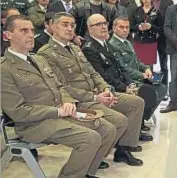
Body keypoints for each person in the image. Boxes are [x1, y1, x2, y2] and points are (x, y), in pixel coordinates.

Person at [1, 15, 116, 178]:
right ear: (8, 35)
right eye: (23, 30)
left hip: (60, 115)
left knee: (107, 129)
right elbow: (18, 112)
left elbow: (59, 86)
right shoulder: (4, 69)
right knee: (89, 139)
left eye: (32, 30)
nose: (30, 35)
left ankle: (86, 173)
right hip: (33, 124)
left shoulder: (38, 59)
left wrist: (68, 101)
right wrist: (57, 111)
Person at [37, 12, 145, 166]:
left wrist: (105, 89)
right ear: (53, 26)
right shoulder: (46, 53)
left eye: (72, 25)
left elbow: (92, 73)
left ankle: (123, 150)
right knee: (118, 121)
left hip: (96, 93)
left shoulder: (74, 48)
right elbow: (61, 87)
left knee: (136, 102)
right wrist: (95, 98)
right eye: (65, 24)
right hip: (77, 102)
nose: (69, 28)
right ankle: (95, 156)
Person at [80, 14, 154, 142]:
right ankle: (125, 143)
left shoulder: (106, 45)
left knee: (147, 90)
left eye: (104, 23)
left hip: (119, 84)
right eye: (98, 24)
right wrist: (124, 88)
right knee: (141, 97)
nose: (103, 27)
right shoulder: (89, 49)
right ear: (89, 28)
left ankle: (134, 133)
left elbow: (120, 68)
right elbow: (102, 75)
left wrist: (129, 84)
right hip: (108, 89)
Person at [108, 17, 167, 130]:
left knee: (162, 88)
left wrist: (146, 69)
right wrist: (142, 75)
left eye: (127, 27)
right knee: (149, 92)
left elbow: (137, 61)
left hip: (138, 77)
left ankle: (142, 118)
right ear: (114, 28)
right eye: (121, 27)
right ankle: (138, 123)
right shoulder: (113, 45)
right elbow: (123, 68)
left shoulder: (128, 42)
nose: (125, 30)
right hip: (128, 80)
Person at [151, 0, 174, 94]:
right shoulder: (146, 0)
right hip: (148, 39)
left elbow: (170, 21)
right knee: (149, 66)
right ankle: (151, 88)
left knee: (163, 65)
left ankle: (164, 89)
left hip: (163, 38)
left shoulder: (169, 2)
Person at [132, 0, 162, 68]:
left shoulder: (156, 11)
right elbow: (131, 27)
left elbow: (160, 29)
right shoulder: (137, 10)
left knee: (149, 69)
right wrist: (138, 27)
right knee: (138, 67)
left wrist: (151, 27)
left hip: (150, 42)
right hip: (138, 42)